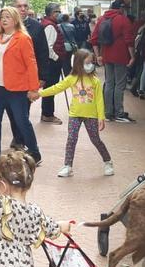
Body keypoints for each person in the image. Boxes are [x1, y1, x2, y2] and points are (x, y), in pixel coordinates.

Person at [34, 48, 112, 178]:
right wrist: (39, 93)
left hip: (91, 115)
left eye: (91, 62)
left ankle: (108, 162)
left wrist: (101, 117)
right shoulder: (71, 78)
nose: (90, 65)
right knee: (71, 139)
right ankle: (68, 166)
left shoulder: (95, 81)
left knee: (95, 139)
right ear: (78, 63)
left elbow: (99, 100)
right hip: (75, 114)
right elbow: (56, 88)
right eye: (87, 62)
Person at [0, 5, 42, 168]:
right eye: (2, 17)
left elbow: (31, 64)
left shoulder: (22, 38)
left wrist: (33, 88)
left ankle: (35, 152)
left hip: (16, 89)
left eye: (7, 17)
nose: (4, 20)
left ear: (15, 20)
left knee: (21, 121)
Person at [89, 0, 137, 124]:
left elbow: (94, 39)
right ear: (121, 8)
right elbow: (129, 41)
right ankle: (119, 113)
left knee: (109, 83)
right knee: (120, 85)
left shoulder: (102, 19)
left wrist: (98, 55)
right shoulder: (123, 19)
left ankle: (107, 112)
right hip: (121, 56)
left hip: (106, 56)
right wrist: (132, 56)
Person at [39, 3, 70, 122]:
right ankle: (47, 114)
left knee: (50, 88)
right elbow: (48, 47)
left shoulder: (49, 24)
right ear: (52, 13)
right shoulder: (50, 26)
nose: (59, 13)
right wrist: (57, 58)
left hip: (51, 62)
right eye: (58, 11)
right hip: (52, 63)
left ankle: (47, 113)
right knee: (50, 88)